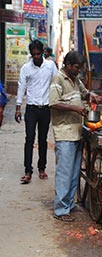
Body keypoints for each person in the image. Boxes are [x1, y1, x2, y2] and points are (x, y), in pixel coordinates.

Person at [49, 51, 102, 222]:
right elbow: (53, 103)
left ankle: (69, 204)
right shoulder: (58, 78)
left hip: (77, 132)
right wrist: (76, 109)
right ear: (68, 65)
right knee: (64, 172)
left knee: (74, 172)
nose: (78, 71)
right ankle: (61, 209)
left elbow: (84, 93)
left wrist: (91, 95)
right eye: (76, 68)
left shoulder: (75, 79)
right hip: (65, 132)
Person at [15, 39, 58, 184]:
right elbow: (21, 87)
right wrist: (18, 107)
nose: (36, 57)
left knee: (42, 140)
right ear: (31, 55)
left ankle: (42, 168)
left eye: (38, 54)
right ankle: (28, 170)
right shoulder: (26, 68)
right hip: (31, 109)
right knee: (29, 139)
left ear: (43, 53)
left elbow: (57, 82)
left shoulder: (50, 66)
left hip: (45, 108)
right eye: (34, 55)